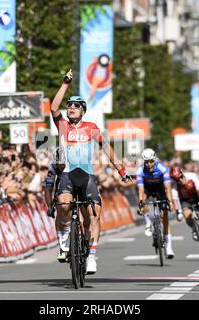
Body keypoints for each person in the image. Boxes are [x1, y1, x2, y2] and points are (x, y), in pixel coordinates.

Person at [50, 69, 130, 274]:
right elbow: (53, 106)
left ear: (83, 110)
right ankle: (65, 237)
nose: (71, 108)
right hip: (68, 173)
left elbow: (107, 149)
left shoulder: (91, 127)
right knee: (65, 205)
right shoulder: (62, 126)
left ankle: (92, 256)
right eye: (69, 106)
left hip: (86, 174)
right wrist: (65, 84)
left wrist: (121, 170)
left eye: (76, 106)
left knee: (94, 215)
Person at [136, 148, 176, 259]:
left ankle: (169, 247)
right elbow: (140, 190)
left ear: (154, 160)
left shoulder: (162, 168)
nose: (149, 164)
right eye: (146, 162)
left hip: (160, 189)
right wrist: (141, 202)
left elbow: (168, 187)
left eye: (151, 161)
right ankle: (148, 222)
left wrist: (170, 201)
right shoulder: (140, 171)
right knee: (142, 202)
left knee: (165, 215)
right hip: (147, 189)